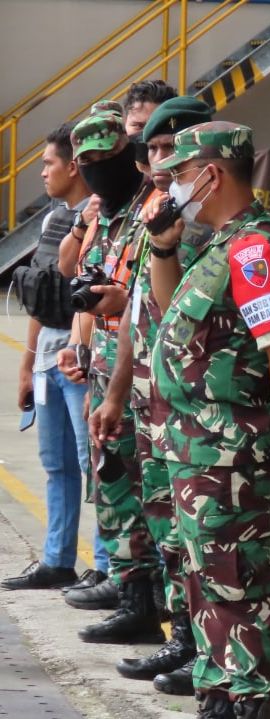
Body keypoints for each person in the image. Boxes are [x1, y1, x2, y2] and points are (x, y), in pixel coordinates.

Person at [146, 120, 270, 719]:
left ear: (212, 174)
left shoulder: (253, 250)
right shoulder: (217, 244)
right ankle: (220, 685)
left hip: (229, 453)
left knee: (237, 579)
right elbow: (174, 317)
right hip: (195, 448)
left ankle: (254, 695)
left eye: (178, 175)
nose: (172, 187)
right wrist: (164, 248)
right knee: (205, 580)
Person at [88, 96, 215, 693]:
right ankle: (183, 639)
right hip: (149, 399)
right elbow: (142, 317)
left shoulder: (214, 229)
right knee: (169, 532)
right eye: (154, 150)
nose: (159, 161)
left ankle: (207, 650)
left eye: (171, 149)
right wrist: (115, 392)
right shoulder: (159, 218)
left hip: (198, 411)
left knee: (200, 541)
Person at [55, 109, 166, 644]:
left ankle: (164, 611)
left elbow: (148, 303)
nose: (97, 171)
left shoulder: (155, 215)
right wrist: (79, 348)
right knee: (115, 491)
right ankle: (133, 600)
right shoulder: (107, 218)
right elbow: (74, 275)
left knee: (153, 501)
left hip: (143, 379)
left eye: (106, 159)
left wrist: (116, 389)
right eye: (87, 164)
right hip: (103, 371)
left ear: (128, 156)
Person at [2, 123, 95, 591]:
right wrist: (26, 364)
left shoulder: (103, 218)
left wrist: (78, 353)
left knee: (92, 463)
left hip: (79, 362)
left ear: (74, 166)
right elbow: (39, 298)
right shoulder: (51, 219)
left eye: (49, 163)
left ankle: (108, 566)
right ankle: (57, 559)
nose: (41, 172)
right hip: (48, 360)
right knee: (56, 463)